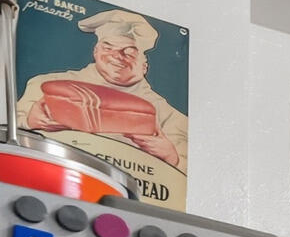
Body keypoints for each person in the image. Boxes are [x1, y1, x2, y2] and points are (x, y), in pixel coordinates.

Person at [17, 9, 187, 175]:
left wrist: (172, 157)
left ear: (144, 66)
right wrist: (28, 122)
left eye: (129, 52)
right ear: (96, 52)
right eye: (108, 48)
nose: (117, 56)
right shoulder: (46, 85)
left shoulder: (168, 116)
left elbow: (187, 176)